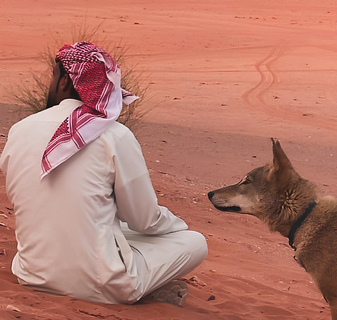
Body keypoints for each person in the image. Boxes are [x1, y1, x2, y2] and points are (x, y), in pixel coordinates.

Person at [0, 42, 207, 305]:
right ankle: (145, 289)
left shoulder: (19, 130)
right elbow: (145, 220)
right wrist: (177, 227)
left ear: (65, 80)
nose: (51, 84)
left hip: (31, 275)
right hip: (100, 288)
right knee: (194, 241)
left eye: (54, 76)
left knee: (109, 223)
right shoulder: (115, 135)